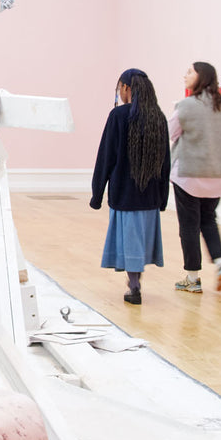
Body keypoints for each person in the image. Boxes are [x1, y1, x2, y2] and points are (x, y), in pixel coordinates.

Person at [90, 68, 170, 305]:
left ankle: (134, 285)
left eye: (119, 89)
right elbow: (165, 162)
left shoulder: (118, 116)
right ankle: (134, 282)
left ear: (126, 88)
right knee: (140, 244)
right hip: (150, 197)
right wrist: (163, 198)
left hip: (125, 195)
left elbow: (106, 157)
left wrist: (97, 195)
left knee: (130, 242)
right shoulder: (159, 118)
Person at [170, 60, 221, 292]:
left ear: (201, 77)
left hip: (188, 174)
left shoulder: (186, 105)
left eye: (189, 72)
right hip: (216, 175)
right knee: (209, 220)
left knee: (188, 226)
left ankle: (193, 278)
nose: (185, 75)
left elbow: (170, 132)